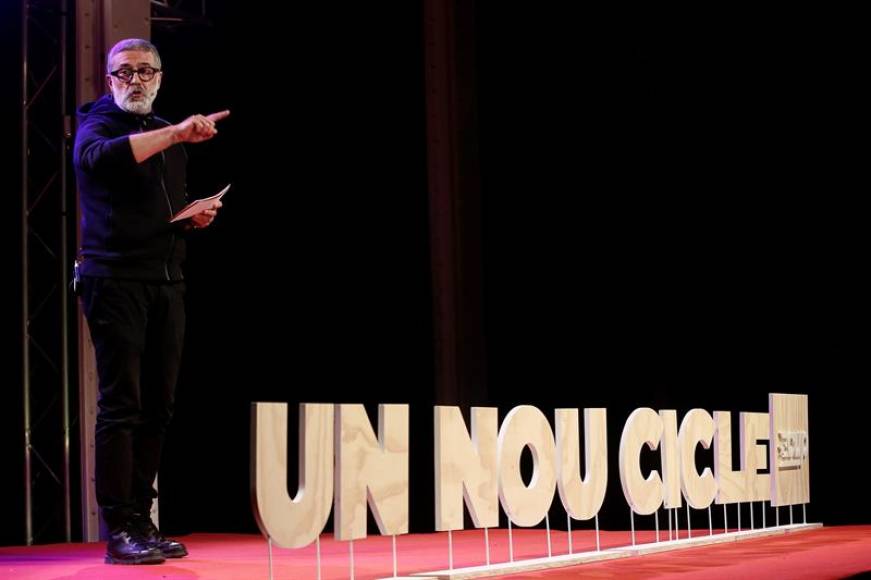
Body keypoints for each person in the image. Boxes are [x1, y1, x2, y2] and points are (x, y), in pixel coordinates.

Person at [73, 38, 229, 565]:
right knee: (122, 404)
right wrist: (177, 132)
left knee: (158, 406)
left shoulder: (166, 134)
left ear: (160, 77)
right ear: (109, 78)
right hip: (114, 280)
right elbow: (97, 161)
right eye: (123, 73)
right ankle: (120, 527)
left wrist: (194, 217)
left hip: (167, 280)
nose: (134, 81)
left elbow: (156, 209)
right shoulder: (98, 123)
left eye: (145, 71)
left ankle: (142, 517)